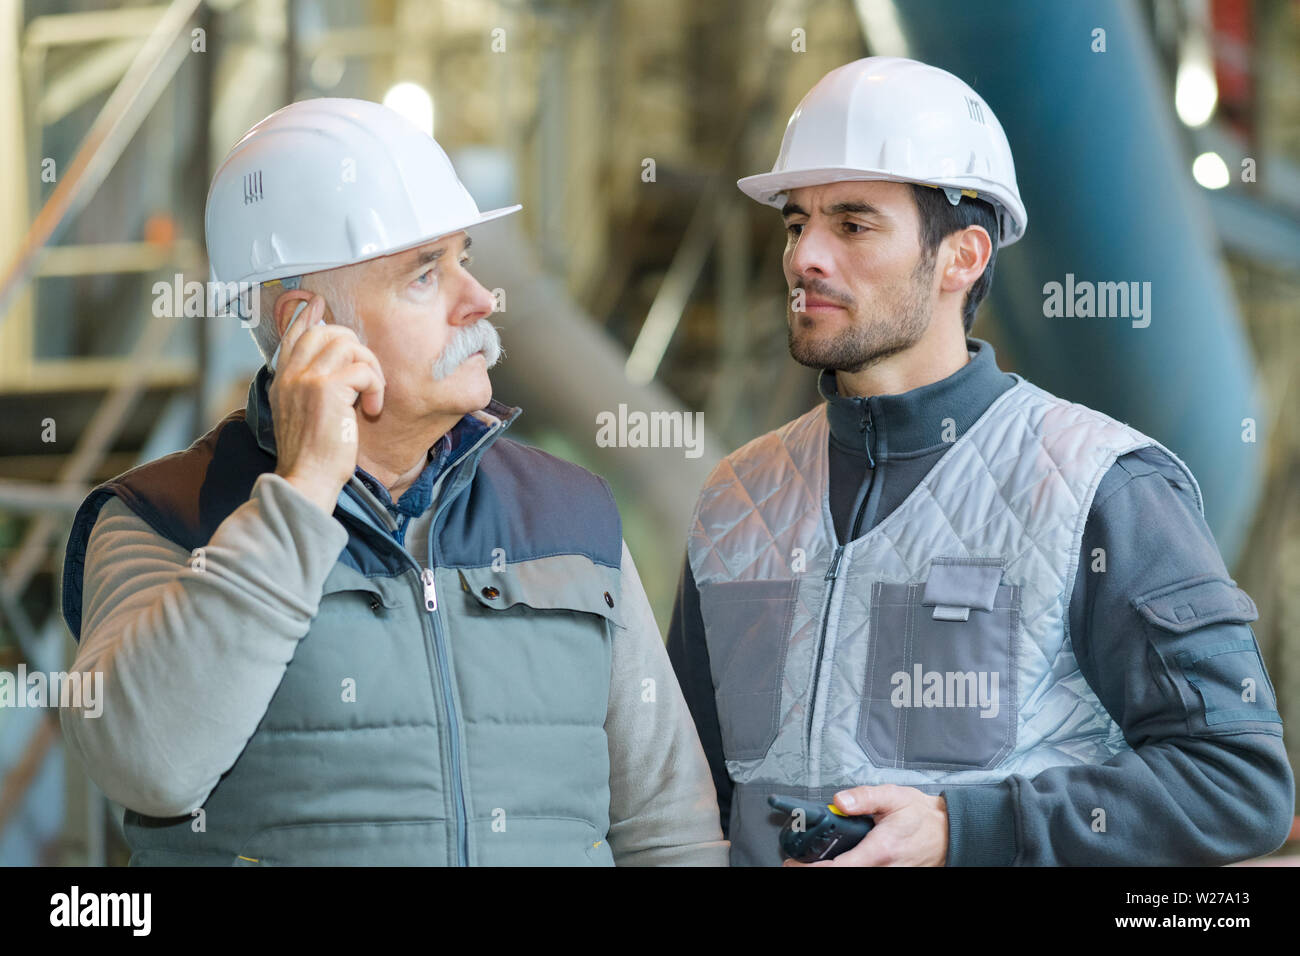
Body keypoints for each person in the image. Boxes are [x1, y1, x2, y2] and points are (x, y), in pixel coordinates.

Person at [59, 97, 727, 866]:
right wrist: (303, 493)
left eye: (465, 259)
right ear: (309, 325)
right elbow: (150, 768)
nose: (478, 300)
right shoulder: (162, 519)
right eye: (424, 275)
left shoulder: (571, 514)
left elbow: (670, 828)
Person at [666, 57, 1293, 866]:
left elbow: (1236, 784)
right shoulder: (736, 498)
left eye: (852, 225)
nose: (804, 259)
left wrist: (964, 829)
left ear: (962, 257)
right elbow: (682, 797)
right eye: (796, 223)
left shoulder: (1100, 486)